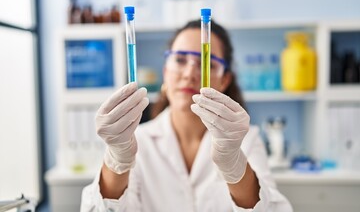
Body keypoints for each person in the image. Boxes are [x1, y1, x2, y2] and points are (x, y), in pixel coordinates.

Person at [81, 20, 293, 211]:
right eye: (180, 60)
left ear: (224, 80)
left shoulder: (246, 141)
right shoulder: (135, 141)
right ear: (166, 71)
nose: (190, 73)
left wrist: (235, 164)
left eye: (206, 63)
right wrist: (117, 159)